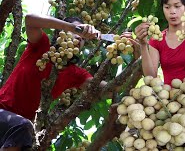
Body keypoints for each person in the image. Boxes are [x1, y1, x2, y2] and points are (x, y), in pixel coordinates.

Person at [0, 14, 107, 151]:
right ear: (61, 34)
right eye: (75, 32)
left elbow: (108, 89)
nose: (80, 37)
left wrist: (138, 59)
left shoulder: (75, 73)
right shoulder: (42, 46)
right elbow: (30, 20)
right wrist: (72, 27)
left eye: (83, 38)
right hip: (5, 114)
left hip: (20, 135)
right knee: (24, 127)